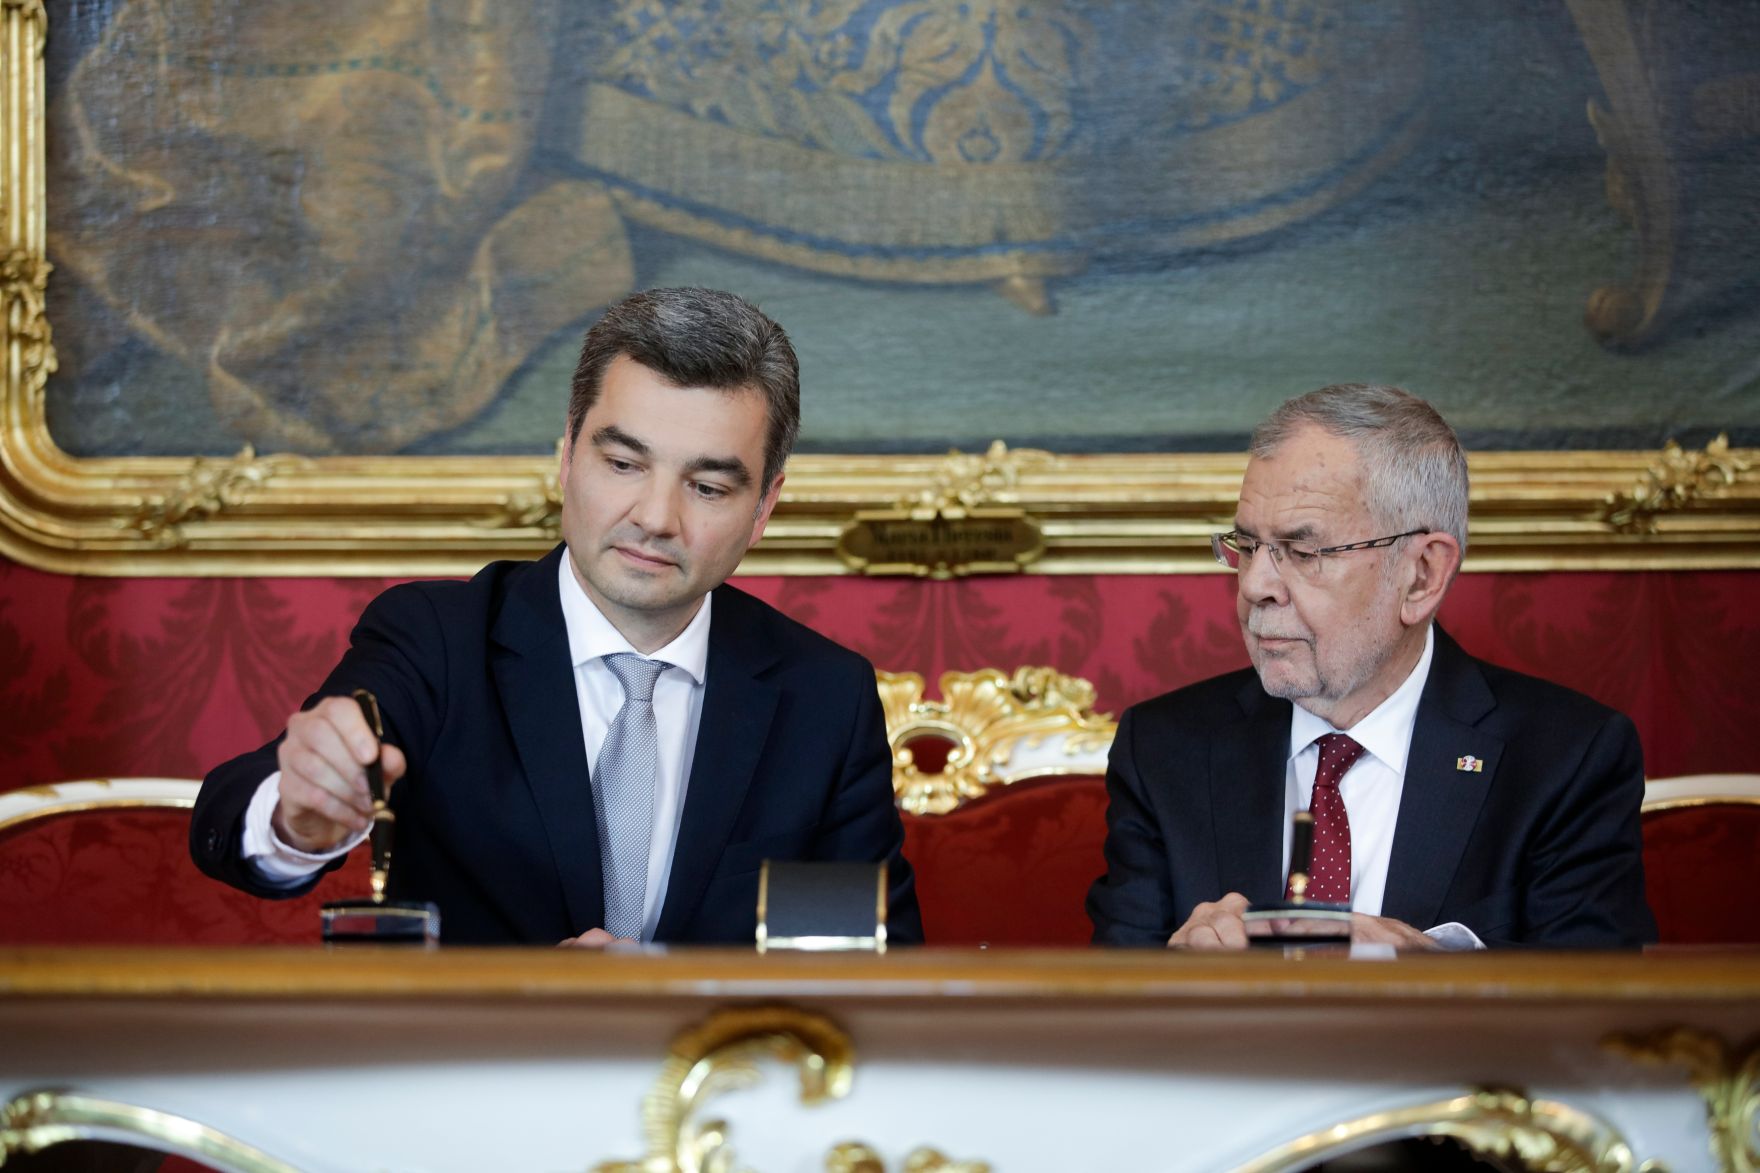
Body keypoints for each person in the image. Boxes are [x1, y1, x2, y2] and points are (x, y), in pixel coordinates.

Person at [193, 287, 922, 946]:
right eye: (624, 464)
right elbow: (228, 818)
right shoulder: (438, 639)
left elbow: (872, 969)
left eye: (705, 486)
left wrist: (667, 997)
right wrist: (298, 816)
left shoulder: (825, 697)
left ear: (764, 507)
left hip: (718, 1084)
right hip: (475, 1085)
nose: (655, 518)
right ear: (567, 455)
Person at [1087, 384, 1655, 949]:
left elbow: (1597, 1009)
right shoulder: (1165, 748)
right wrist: (1177, 980)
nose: (1256, 585)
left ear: (1422, 576)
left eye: (1303, 551)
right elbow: (1108, 1010)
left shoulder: (1565, 760)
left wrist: (1437, 985)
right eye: (1247, 544)